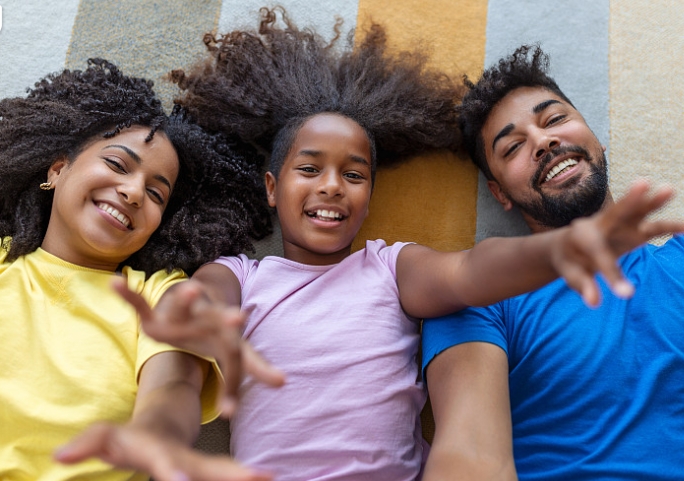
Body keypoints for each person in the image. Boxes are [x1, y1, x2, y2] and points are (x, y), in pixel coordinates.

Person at [126, 12, 681, 481]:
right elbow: (193, 332)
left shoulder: (389, 267)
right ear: (271, 188)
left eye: (354, 174)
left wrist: (563, 251)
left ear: (369, 196)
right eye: (309, 169)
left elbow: (469, 268)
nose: (330, 186)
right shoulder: (240, 277)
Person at [0, 58, 277, 481]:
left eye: (155, 194)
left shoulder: (159, 294)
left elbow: (174, 386)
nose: (132, 192)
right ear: (57, 170)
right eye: (117, 165)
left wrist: (158, 431)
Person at [421, 45, 684, 481]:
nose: (544, 142)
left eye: (554, 119)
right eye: (513, 147)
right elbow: (470, 458)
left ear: (595, 138)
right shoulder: (478, 302)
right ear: (499, 193)